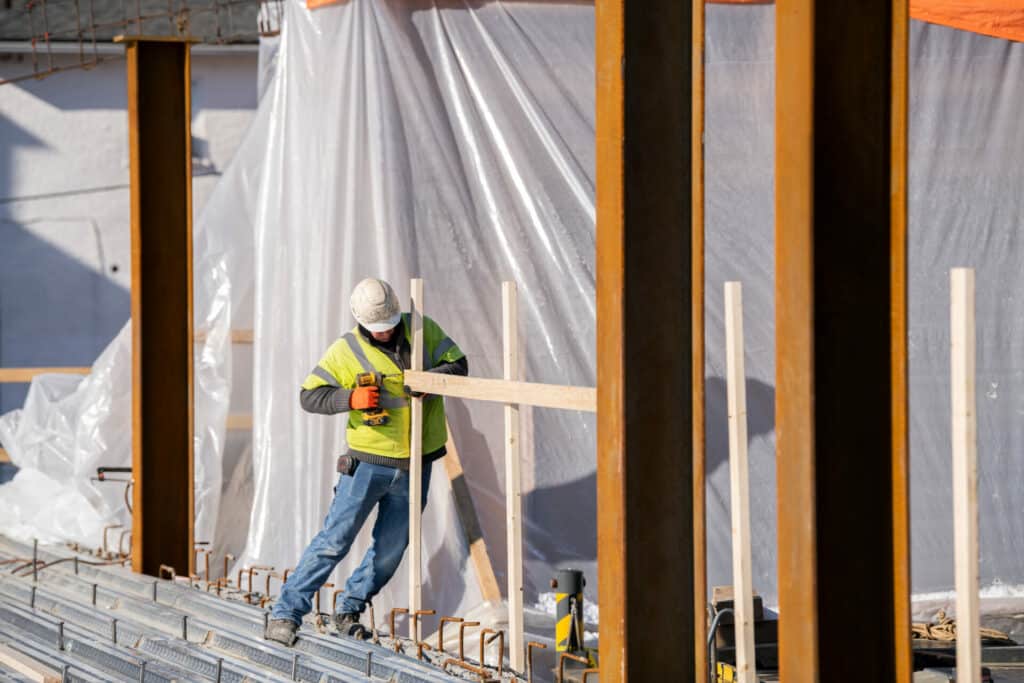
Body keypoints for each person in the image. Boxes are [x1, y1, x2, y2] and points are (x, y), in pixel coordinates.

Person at [265, 277, 468, 645]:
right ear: (360, 321)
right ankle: (285, 613)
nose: (386, 333)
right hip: (367, 465)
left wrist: (431, 380)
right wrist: (350, 399)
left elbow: (459, 365)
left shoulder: (424, 331)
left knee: (392, 549)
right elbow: (309, 397)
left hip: (414, 464)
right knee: (334, 541)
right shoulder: (346, 350)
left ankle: (350, 607)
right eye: (378, 329)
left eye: (390, 325)